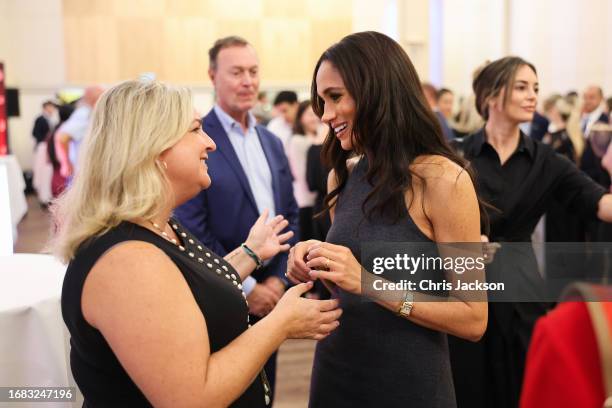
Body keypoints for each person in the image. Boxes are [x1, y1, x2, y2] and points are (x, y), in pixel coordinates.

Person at [54, 80, 342, 407]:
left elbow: (187, 289)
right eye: (195, 130)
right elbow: (191, 398)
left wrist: (250, 253)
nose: (210, 144)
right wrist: (281, 324)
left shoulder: (156, 227)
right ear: (152, 148)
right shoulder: (128, 262)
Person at [286, 31, 488, 408]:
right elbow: (349, 287)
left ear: (375, 91)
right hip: (336, 373)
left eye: (335, 98)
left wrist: (369, 283)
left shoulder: (443, 180)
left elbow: (473, 319)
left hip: (409, 384)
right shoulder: (341, 177)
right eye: (321, 100)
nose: (325, 115)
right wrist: (313, 259)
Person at [449, 56, 612, 408]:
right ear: (492, 96)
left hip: (522, 288)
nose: (532, 96)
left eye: (535, 88)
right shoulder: (455, 155)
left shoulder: (546, 160)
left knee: (523, 385)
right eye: (521, 87)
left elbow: (599, 203)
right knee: (468, 384)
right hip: (466, 286)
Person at [174, 36, 299, 400]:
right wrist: (247, 288)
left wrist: (278, 281)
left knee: (266, 390)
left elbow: (288, 214)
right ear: (212, 76)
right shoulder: (197, 139)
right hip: (220, 292)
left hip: (274, 294)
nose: (248, 81)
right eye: (237, 72)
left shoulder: (271, 141)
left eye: (254, 72)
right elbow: (192, 229)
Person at [286, 100, 324, 241]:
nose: (314, 117)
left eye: (316, 113)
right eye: (309, 114)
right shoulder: (298, 140)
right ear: (300, 117)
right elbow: (301, 174)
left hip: (319, 201)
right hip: (306, 202)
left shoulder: (317, 137)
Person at [55, 85, 104, 180]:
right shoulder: (84, 114)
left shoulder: (91, 112)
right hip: (82, 170)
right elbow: (62, 137)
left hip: (86, 169)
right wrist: (67, 163)